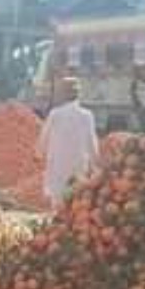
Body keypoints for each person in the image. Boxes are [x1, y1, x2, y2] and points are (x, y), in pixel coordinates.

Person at [37, 78, 99, 209]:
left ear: (63, 95)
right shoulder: (87, 115)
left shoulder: (55, 114)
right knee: (76, 200)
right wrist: (95, 165)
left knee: (57, 199)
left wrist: (38, 153)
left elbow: (44, 137)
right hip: (79, 165)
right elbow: (92, 142)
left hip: (58, 163)